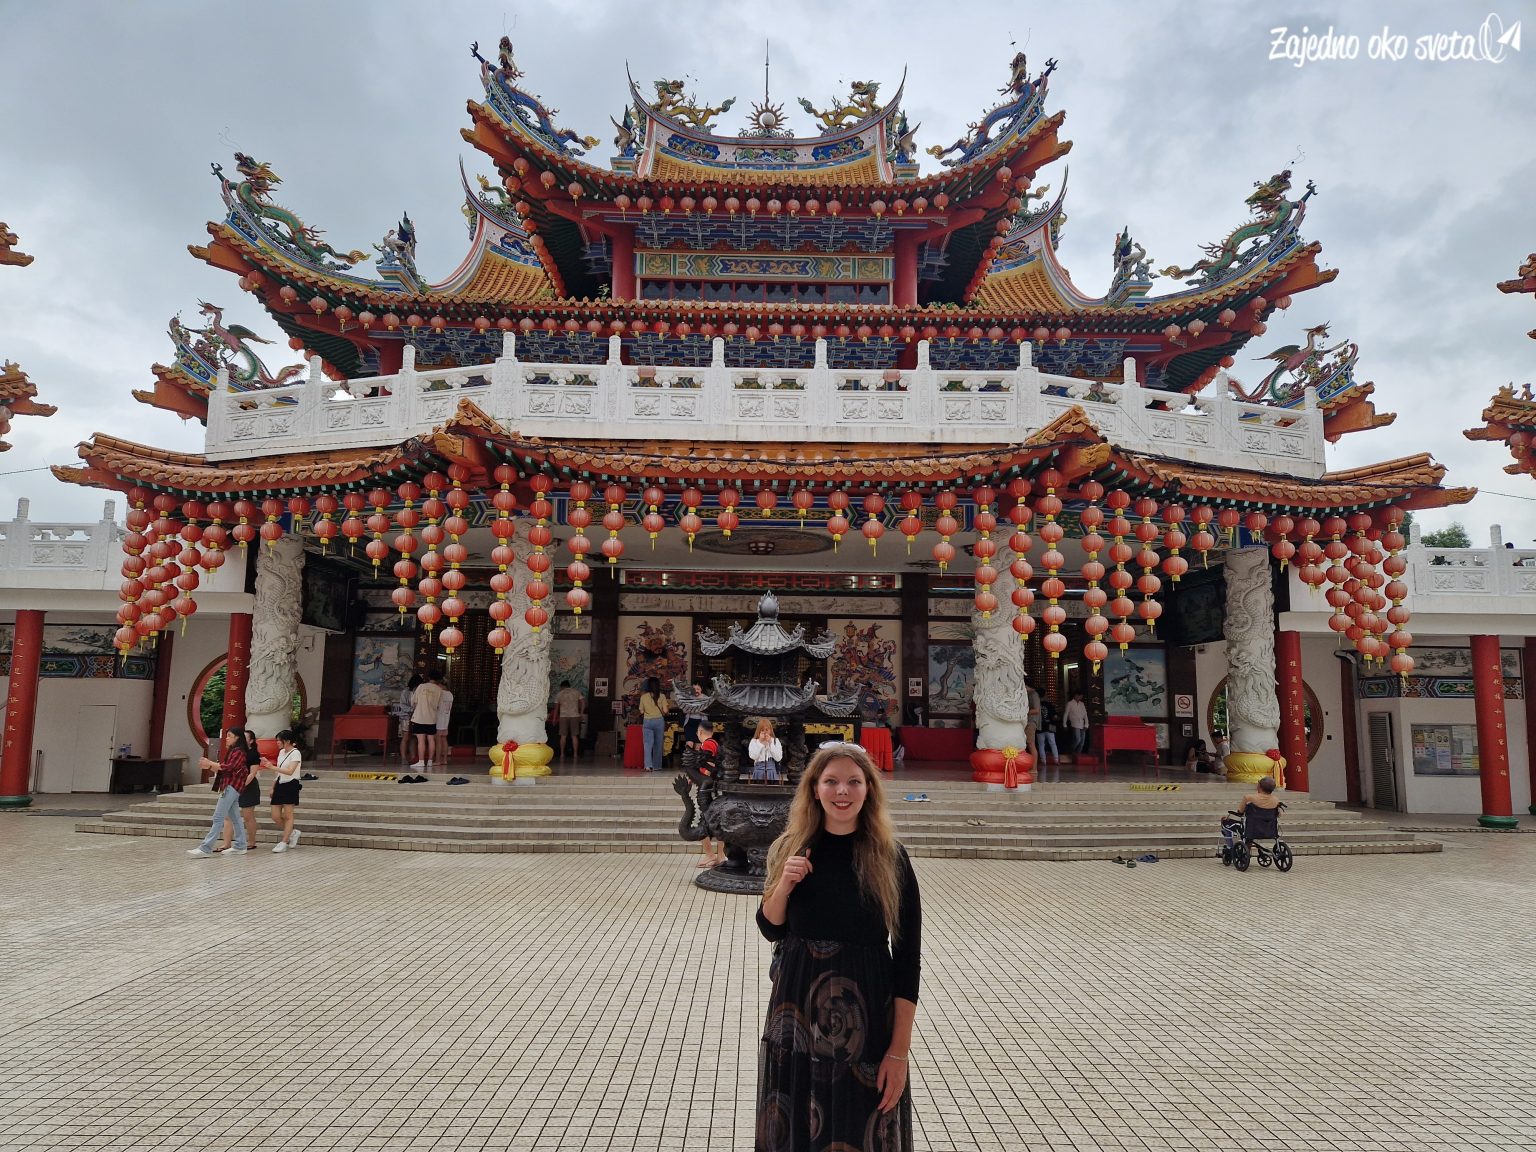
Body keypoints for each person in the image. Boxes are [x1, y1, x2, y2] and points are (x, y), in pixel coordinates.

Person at [757, 743, 921, 1150]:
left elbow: (907, 961)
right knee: (795, 1128)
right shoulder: (792, 847)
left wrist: (898, 1052)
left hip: (865, 1016)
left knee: (861, 1128)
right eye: (831, 781)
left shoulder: (890, 858)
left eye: (853, 781)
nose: (842, 791)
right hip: (796, 1013)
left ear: (869, 790)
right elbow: (771, 927)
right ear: (815, 789)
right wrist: (784, 884)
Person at [188, 729, 252, 857]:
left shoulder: (238, 752)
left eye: (229, 736)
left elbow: (228, 767)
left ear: (237, 738)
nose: (226, 738)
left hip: (231, 787)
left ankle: (206, 848)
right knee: (235, 818)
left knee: (218, 817)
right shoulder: (235, 751)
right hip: (231, 786)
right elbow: (225, 769)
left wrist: (210, 764)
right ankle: (240, 845)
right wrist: (210, 765)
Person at [258, 729, 304, 852]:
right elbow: (279, 772)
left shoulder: (296, 753)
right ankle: (293, 832)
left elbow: (290, 771)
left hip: (291, 784)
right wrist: (273, 786)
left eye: (279, 740)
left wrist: (272, 767)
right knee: (275, 816)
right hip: (280, 783)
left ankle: (284, 841)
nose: (277, 742)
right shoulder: (281, 752)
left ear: (287, 741)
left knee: (288, 815)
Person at [1223, 774, 1283, 851]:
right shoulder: (1276, 800)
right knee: (1250, 825)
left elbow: (1240, 812)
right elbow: (1278, 814)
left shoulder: (1248, 798)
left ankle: (1230, 847)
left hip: (1251, 829)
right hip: (1270, 829)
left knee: (1225, 821)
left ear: (1259, 786)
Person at [694, 719, 724, 868]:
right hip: (713, 788)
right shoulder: (715, 743)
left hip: (707, 788)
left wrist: (702, 781)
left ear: (700, 731)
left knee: (701, 821)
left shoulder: (707, 744)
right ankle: (720, 855)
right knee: (717, 821)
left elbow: (709, 766)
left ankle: (711, 855)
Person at [409, 669, 445, 771]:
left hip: (419, 717)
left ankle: (421, 761)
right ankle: (430, 761)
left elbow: (413, 701)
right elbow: (439, 705)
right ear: (438, 679)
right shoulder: (439, 690)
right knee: (431, 739)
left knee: (421, 741)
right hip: (432, 718)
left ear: (429, 677)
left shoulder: (421, 687)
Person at [638, 677, 671, 772]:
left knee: (647, 744)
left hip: (647, 721)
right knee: (658, 744)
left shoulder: (643, 697)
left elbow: (641, 711)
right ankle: (657, 766)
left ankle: (648, 765)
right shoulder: (662, 696)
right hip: (659, 721)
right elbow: (665, 711)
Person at [393, 674, 422, 766]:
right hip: (406, 717)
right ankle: (403, 758)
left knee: (413, 737)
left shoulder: (420, 692)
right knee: (406, 737)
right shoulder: (405, 692)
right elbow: (402, 705)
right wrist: (412, 710)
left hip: (416, 717)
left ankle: (413, 757)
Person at [555, 679, 586, 760]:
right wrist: (581, 713)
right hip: (574, 715)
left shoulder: (559, 694)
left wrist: (554, 719)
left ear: (562, 686)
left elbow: (556, 708)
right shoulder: (576, 692)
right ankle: (575, 754)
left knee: (563, 736)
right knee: (574, 736)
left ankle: (562, 754)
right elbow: (583, 702)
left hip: (563, 716)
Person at [749, 718, 783, 783]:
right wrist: (760, 743)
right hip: (758, 770)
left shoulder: (775, 741)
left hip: (771, 771)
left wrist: (770, 743)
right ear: (758, 731)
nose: (765, 732)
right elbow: (753, 756)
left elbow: (778, 758)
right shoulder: (754, 741)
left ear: (770, 730)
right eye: (762, 730)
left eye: (767, 730)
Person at [1036, 697, 1061, 781]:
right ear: (1045, 695)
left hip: (1040, 727)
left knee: (1041, 745)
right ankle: (1056, 760)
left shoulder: (1037, 704)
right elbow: (1055, 716)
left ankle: (1043, 761)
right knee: (1053, 743)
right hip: (1050, 727)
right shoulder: (1050, 705)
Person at [434, 677, 456, 769]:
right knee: (444, 739)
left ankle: (437, 760)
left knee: (438, 740)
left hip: (438, 719)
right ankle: (445, 759)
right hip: (446, 719)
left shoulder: (440, 693)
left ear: (440, 684)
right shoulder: (450, 694)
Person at [1063, 690, 1090, 756]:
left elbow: (1085, 714)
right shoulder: (1070, 703)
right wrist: (1064, 724)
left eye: (1081, 696)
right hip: (1074, 723)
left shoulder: (1082, 704)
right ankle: (1070, 751)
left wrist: (1086, 724)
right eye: (1079, 696)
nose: (1080, 697)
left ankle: (1078, 755)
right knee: (1077, 740)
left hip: (1082, 724)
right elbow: (1066, 714)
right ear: (1075, 695)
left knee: (1082, 743)